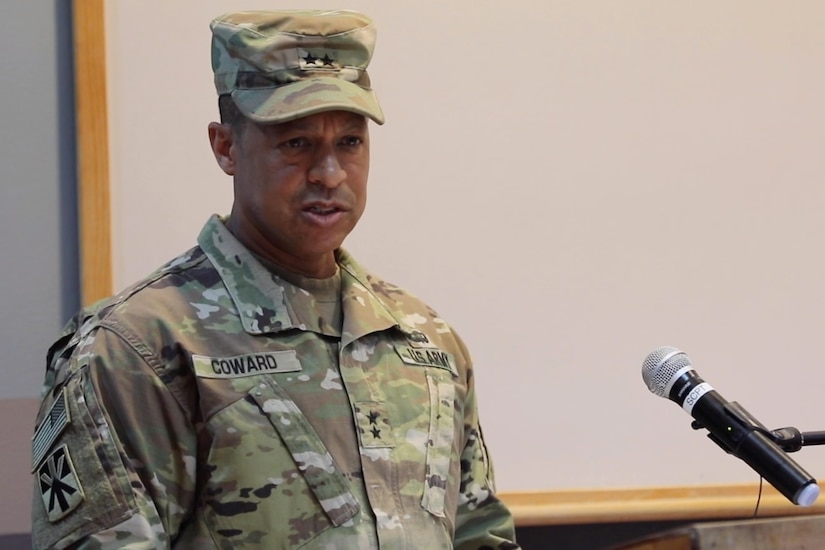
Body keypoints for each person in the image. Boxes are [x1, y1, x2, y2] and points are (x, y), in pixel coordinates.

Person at [31, 9, 520, 549]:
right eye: (296, 143)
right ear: (226, 147)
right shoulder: (138, 348)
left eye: (350, 143)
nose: (329, 174)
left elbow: (480, 535)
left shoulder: (423, 341)